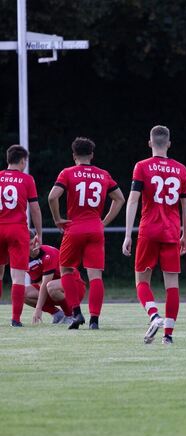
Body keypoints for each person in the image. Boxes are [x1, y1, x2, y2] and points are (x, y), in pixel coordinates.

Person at [123, 125, 186, 344]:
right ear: (169, 144)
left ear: (150, 143)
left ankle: (154, 316)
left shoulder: (142, 166)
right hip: (171, 232)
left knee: (142, 281)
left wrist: (127, 234)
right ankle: (168, 336)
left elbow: (133, 200)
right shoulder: (181, 169)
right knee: (172, 285)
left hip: (148, 231)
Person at [48, 137, 125, 330]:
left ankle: (76, 313)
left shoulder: (67, 173)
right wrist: (104, 222)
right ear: (92, 155)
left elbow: (52, 196)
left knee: (65, 269)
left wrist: (57, 218)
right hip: (95, 229)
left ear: (74, 155)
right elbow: (120, 199)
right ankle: (95, 321)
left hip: (74, 228)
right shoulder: (103, 174)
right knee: (95, 276)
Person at [0, 145, 43, 326]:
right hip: (17, 229)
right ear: (23, 160)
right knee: (17, 277)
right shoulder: (27, 179)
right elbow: (34, 208)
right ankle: (15, 320)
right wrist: (39, 233)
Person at [25, 230, 86, 325]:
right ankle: (57, 314)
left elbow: (45, 284)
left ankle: (70, 315)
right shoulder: (25, 260)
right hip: (53, 288)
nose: (34, 246)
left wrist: (38, 308)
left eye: (33, 242)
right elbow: (40, 283)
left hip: (75, 286)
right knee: (22, 293)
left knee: (51, 286)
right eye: (29, 245)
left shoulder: (48, 254)